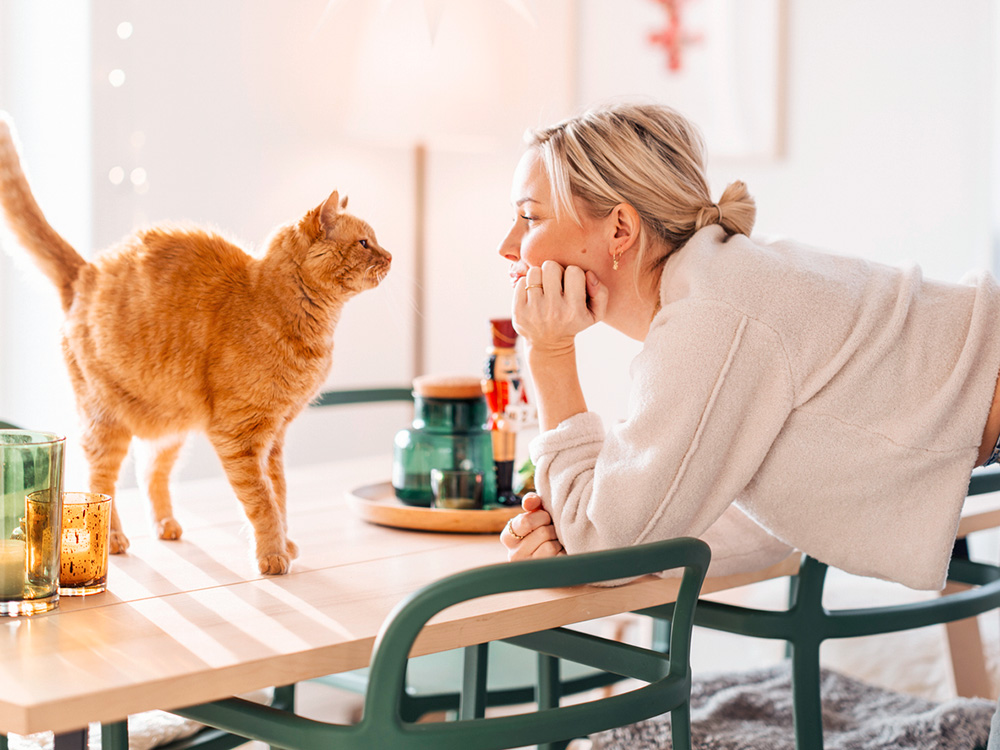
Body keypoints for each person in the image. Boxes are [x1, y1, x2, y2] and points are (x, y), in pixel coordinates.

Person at [496, 101, 1000, 594]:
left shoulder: (713, 313)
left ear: (620, 229)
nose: (508, 246)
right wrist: (577, 533)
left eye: (530, 217)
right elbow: (746, 533)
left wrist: (550, 353)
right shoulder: (720, 286)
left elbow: (610, 546)